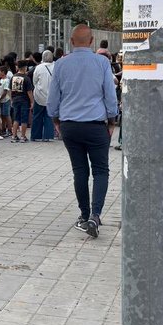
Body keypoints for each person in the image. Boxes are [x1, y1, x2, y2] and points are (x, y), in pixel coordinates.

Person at [48, 25, 120, 238]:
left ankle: (84, 213)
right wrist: (112, 119)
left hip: (70, 124)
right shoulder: (102, 62)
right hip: (96, 125)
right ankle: (95, 216)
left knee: (80, 170)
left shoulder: (60, 64)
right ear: (92, 41)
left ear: (71, 41)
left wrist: (56, 120)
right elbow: (109, 93)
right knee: (100, 171)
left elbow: (53, 99)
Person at [31, 49, 56, 141]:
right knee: (49, 116)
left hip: (39, 95)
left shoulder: (39, 67)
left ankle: (36, 136)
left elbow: (34, 81)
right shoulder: (56, 66)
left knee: (37, 115)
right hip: (52, 96)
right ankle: (48, 136)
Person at [9, 59, 32, 142]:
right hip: (24, 100)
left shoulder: (13, 77)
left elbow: (11, 90)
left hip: (15, 99)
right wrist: (32, 101)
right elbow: (29, 92)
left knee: (16, 118)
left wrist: (11, 99)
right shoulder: (26, 78)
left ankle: (14, 136)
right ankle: (23, 136)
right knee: (24, 118)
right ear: (25, 67)